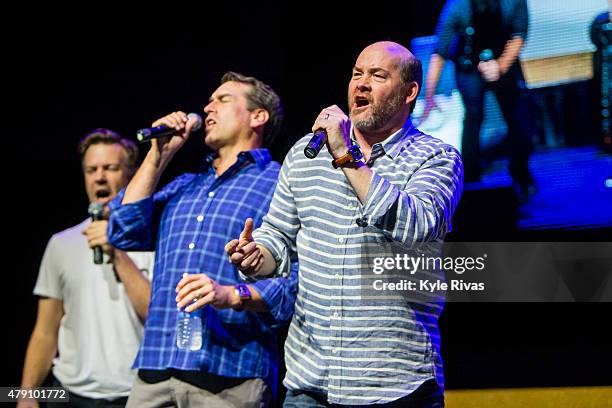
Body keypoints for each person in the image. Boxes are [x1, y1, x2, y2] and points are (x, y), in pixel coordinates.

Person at [227, 42, 463, 407]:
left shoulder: (436, 157)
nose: (361, 84)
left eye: (378, 76)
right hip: (311, 384)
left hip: (394, 385)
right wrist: (256, 256)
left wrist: (345, 155)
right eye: (357, 74)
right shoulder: (307, 155)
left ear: (409, 92)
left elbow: (415, 225)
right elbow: (278, 238)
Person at [107, 72, 297, 408]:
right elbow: (123, 228)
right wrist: (159, 154)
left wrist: (233, 294)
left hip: (230, 372)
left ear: (258, 116)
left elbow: (299, 278)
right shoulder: (185, 185)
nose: (208, 108)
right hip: (156, 366)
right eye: (208, 101)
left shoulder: (282, 182)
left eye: (223, 100)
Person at [18, 129, 154, 408]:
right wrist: (26, 392)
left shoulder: (154, 241)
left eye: (110, 168)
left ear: (130, 175)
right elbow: (46, 330)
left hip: (134, 395)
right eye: (91, 170)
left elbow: (156, 316)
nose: (100, 177)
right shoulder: (61, 244)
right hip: (66, 395)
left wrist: (117, 252)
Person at [422, 0, 535, 195]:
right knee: (473, 117)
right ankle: (471, 183)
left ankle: (521, 175)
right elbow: (440, 50)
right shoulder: (458, 5)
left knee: (518, 118)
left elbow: (518, 35)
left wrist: (500, 66)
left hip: (503, 57)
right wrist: (429, 96)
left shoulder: (513, 2)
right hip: (468, 63)